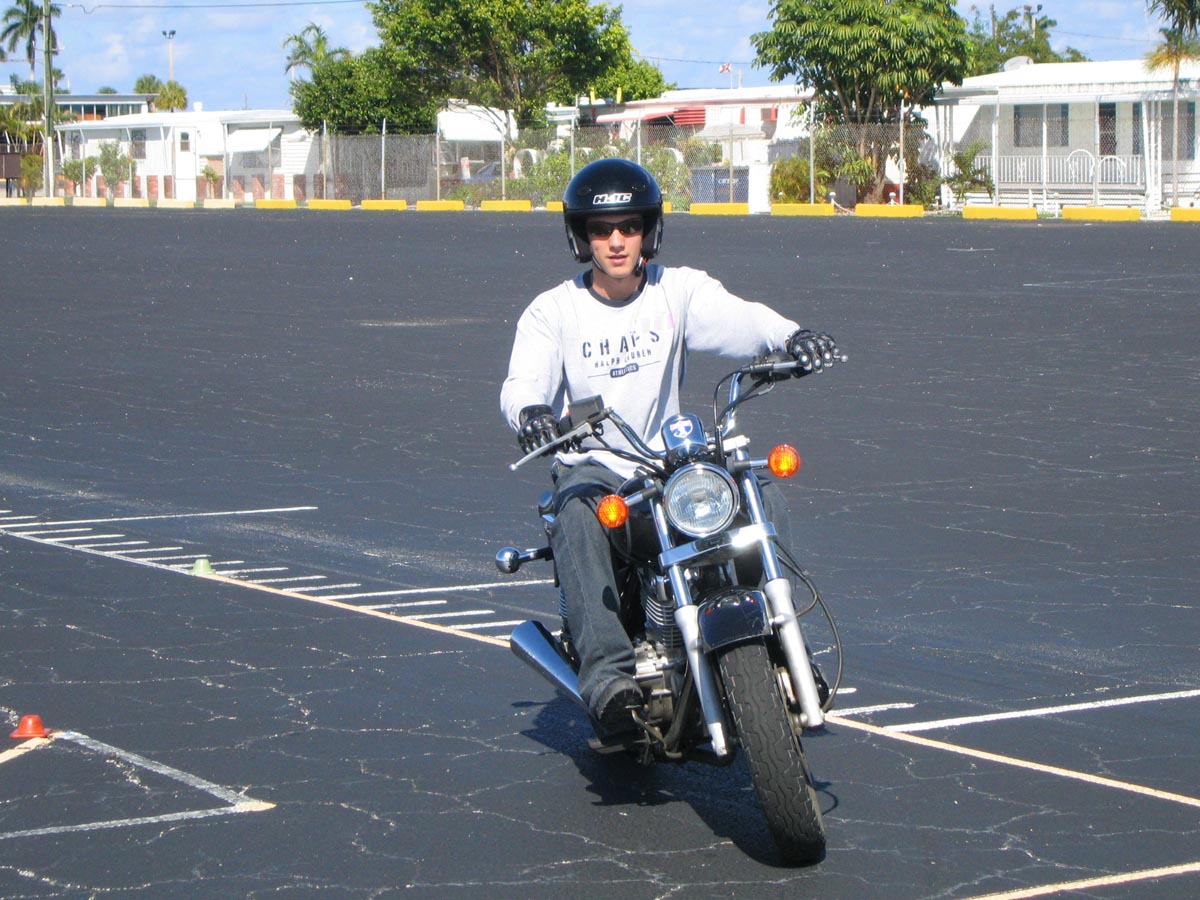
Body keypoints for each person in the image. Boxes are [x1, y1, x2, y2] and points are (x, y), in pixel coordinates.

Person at [500, 158, 840, 739]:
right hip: (599, 465)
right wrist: (532, 413)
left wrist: (792, 336)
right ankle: (608, 677)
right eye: (601, 229)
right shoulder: (553, 311)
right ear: (581, 236)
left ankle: (787, 648)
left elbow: (741, 318)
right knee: (576, 511)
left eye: (629, 227)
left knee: (756, 490)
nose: (616, 241)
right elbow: (522, 383)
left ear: (648, 231)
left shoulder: (676, 290)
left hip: (666, 463)